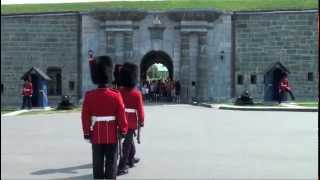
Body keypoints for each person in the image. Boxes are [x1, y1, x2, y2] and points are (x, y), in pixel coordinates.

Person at [82, 54, 128, 179]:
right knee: (111, 161)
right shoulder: (116, 95)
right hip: (112, 133)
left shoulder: (89, 95)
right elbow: (121, 114)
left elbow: (85, 116)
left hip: (96, 133)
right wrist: (123, 130)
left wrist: (87, 132)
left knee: (97, 161)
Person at [117, 62, 145, 175]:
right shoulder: (136, 94)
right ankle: (122, 166)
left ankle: (131, 158)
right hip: (132, 121)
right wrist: (141, 120)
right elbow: (140, 109)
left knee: (129, 140)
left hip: (120, 119)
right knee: (127, 143)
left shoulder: (118, 92)